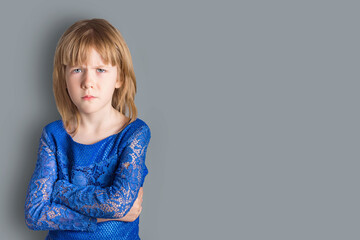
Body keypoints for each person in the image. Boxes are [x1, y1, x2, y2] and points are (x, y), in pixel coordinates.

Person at [24, 18, 151, 240]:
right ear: (64, 77)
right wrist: (96, 217)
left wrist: (59, 190)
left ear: (119, 77)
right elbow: (35, 213)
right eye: (77, 70)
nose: (88, 81)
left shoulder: (134, 133)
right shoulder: (53, 135)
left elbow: (117, 204)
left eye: (100, 69)